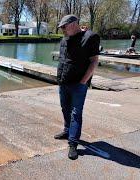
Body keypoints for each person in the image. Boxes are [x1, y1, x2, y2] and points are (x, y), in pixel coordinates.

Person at [55, 14, 100, 160]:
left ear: (74, 24)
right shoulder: (64, 39)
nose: (62, 29)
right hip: (64, 82)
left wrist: (83, 82)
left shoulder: (90, 37)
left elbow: (94, 62)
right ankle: (67, 130)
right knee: (65, 108)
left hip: (78, 85)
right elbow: (64, 61)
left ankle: (73, 143)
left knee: (75, 113)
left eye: (64, 26)